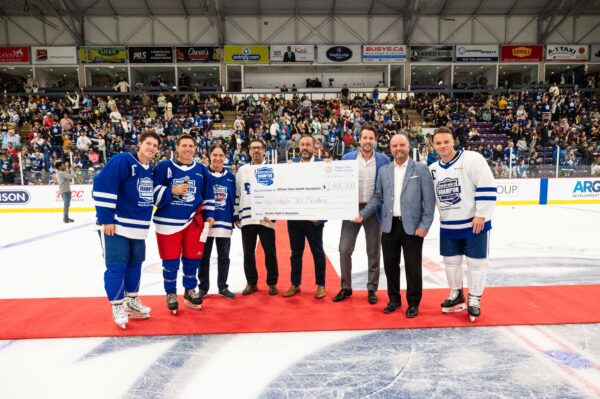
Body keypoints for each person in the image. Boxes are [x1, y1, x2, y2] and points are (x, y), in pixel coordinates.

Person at [356, 134, 435, 317]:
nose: (398, 148)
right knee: (391, 265)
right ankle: (394, 299)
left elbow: (429, 203)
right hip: (389, 226)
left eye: (402, 145)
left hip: (413, 228)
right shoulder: (384, 170)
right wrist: (362, 214)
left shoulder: (421, 170)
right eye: (394, 146)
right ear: (390, 148)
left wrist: (425, 225)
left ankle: (413, 302)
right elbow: (378, 197)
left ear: (409, 147)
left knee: (412, 266)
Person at [92, 129, 161, 329]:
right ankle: (117, 305)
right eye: (148, 143)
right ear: (140, 143)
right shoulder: (123, 160)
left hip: (138, 229)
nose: (151, 148)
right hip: (117, 226)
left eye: (155, 146)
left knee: (135, 264)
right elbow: (103, 183)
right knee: (117, 266)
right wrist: (106, 219)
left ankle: (131, 301)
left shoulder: (149, 169)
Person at [429, 127, 496, 322]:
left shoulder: (472, 159)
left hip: (474, 224)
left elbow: (487, 185)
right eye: (438, 143)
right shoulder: (433, 169)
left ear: (453, 141)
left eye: (446, 142)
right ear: (433, 145)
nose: (442, 146)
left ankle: (474, 298)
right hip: (448, 225)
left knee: (476, 263)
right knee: (451, 262)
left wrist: (481, 215)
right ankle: (456, 293)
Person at [152, 134, 215, 314]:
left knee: (192, 259)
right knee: (170, 261)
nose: (188, 149)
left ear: (195, 148)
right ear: (177, 148)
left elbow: (208, 195)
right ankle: (171, 293)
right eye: (184, 145)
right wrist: (171, 190)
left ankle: (189, 289)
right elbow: (152, 193)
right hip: (168, 222)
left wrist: (209, 215)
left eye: (191, 146)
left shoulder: (202, 170)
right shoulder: (164, 167)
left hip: (194, 222)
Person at [334, 125, 390, 305]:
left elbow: (383, 191)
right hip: (351, 209)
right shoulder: (347, 158)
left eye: (370, 138)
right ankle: (346, 287)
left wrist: (367, 212)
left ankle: (372, 288)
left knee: (373, 251)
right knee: (344, 249)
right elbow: (336, 181)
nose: (367, 141)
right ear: (360, 138)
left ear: (375, 139)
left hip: (374, 211)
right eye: (364, 137)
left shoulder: (384, 160)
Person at [283, 135, 327, 299]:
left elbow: (329, 191)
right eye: (302, 145)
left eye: (308, 144)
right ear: (298, 147)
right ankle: (295, 284)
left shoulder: (323, 165)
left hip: (315, 218)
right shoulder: (290, 165)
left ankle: (321, 285)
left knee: (317, 251)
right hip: (295, 218)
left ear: (314, 146)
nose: (305, 147)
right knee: (295, 252)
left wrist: (321, 216)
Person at [235, 138, 280, 296]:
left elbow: (277, 195)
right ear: (248, 151)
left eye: (259, 148)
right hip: (247, 217)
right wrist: (236, 215)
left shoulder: (271, 169)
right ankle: (251, 282)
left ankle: (272, 282)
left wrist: (274, 215)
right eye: (253, 148)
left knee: (270, 251)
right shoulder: (242, 171)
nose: (256, 151)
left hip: (265, 218)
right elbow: (237, 194)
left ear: (264, 151)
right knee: (248, 252)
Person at [198, 143, 237, 299]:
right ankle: (203, 287)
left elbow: (235, 199)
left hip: (224, 222)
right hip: (206, 224)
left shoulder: (230, 177)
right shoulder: (202, 174)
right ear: (209, 156)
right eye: (215, 155)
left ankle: (222, 286)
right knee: (203, 257)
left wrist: (236, 217)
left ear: (225, 157)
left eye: (221, 155)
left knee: (224, 257)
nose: (218, 158)